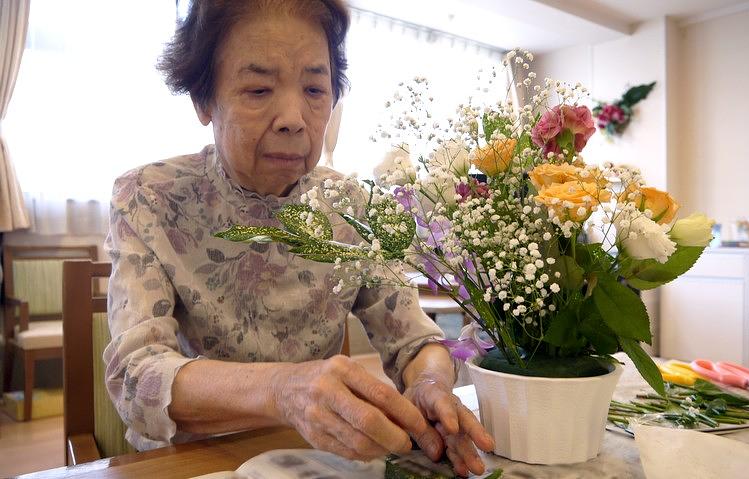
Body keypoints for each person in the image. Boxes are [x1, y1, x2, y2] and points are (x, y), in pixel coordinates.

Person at [103, 0, 493, 476]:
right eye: (259, 88)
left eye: (314, 88)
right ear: (204, 101)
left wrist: (430, 383)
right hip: (191, 460)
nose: (293, 117)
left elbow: (415, 338)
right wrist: (284, 389)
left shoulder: (350, 205)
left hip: (312, 457)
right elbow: (134, 377)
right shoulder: (149, 198)